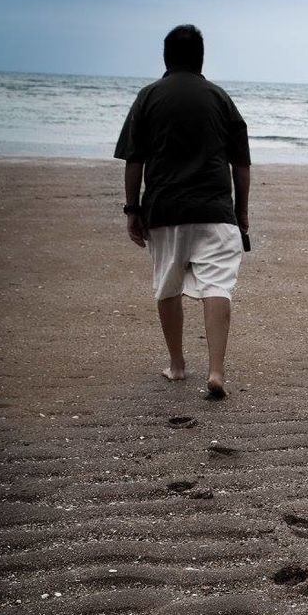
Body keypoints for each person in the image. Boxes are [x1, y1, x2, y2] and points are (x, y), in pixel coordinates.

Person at [114, 24, 251, 399]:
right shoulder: (220, 98)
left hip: (165, 209)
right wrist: (241, 214)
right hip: (216, 210)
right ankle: (217, 371)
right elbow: (241, 163)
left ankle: (177, 365)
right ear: (201, 58)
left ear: (166, 57)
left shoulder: (148, 97)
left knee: (168, 285)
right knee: (218, 286)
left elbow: (133, 160)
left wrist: (132, 209)